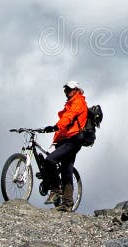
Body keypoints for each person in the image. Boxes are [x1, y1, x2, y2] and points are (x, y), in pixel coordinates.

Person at [42, 80, 88, 210]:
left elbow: (69, 117)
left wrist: (56, 126)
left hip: (73, 140)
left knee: (50, 160)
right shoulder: (70, 103)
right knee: (66, 170)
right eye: (65, 90)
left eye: (69, 89)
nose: (67, 92)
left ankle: (56, 191)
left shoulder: (78, 102)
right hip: (66, 140)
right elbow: (65, 121)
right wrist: (55, 137)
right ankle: (67, 204)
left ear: (76, 90)